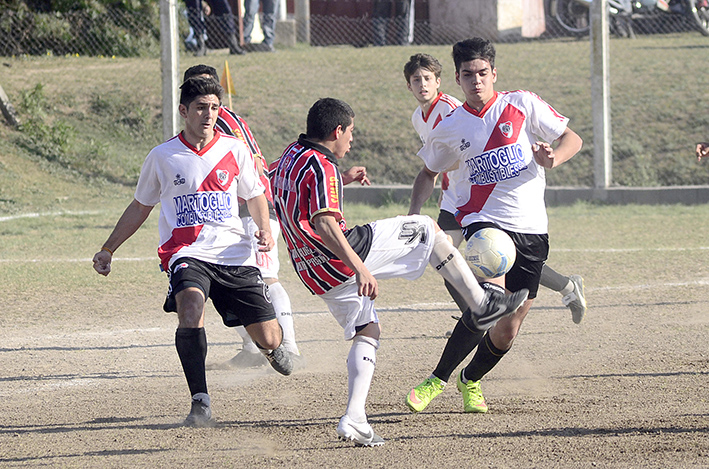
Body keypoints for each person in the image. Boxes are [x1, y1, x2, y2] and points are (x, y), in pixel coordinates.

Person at [269, 97, 529, 446]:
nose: (352, 140)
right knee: (426, 227)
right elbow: (325, 223)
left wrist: (340, 180)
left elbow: (285, 191)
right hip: (341, 256)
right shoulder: (322, 168)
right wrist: (360, 269)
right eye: (351, 132)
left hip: (312, 271)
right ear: (337, 131)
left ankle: (355, 417)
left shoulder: (291, 156)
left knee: (368, 329)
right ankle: (481, 303)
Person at [92, 76, 292, 427]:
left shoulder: (234, 149)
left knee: (270, 337)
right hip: (187, 252)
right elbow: (140, 206)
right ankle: (200, 401)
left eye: (214, 107)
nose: (208, 114)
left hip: (234, 254)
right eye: (200, 107)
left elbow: (256, 194)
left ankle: (272, 348)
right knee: (190, 307)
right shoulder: (163, 156)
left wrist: (263, 227)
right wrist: (109, 247)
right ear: (184, 111)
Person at [405, 38, 583, 415]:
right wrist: (414, 211)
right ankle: (436, 379)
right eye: (467, 75)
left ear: (493, 73)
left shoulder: (521, 104)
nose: (476, 81)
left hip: (532, 228)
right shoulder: (451, 126)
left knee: (508, 328)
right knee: (488, 301)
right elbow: (427, 172)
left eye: (482, 73)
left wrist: (554, 159)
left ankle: (470, 379)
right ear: (457, 78)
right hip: (485, 224)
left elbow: (572, 138)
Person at [182, 65, 302, 369]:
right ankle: (252, 347)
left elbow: (238, 173)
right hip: (244, 209)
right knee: (233, 280)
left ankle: (288, 345)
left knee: (266, 277)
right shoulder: (231, 119)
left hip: (249, 208)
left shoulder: (218, 124)